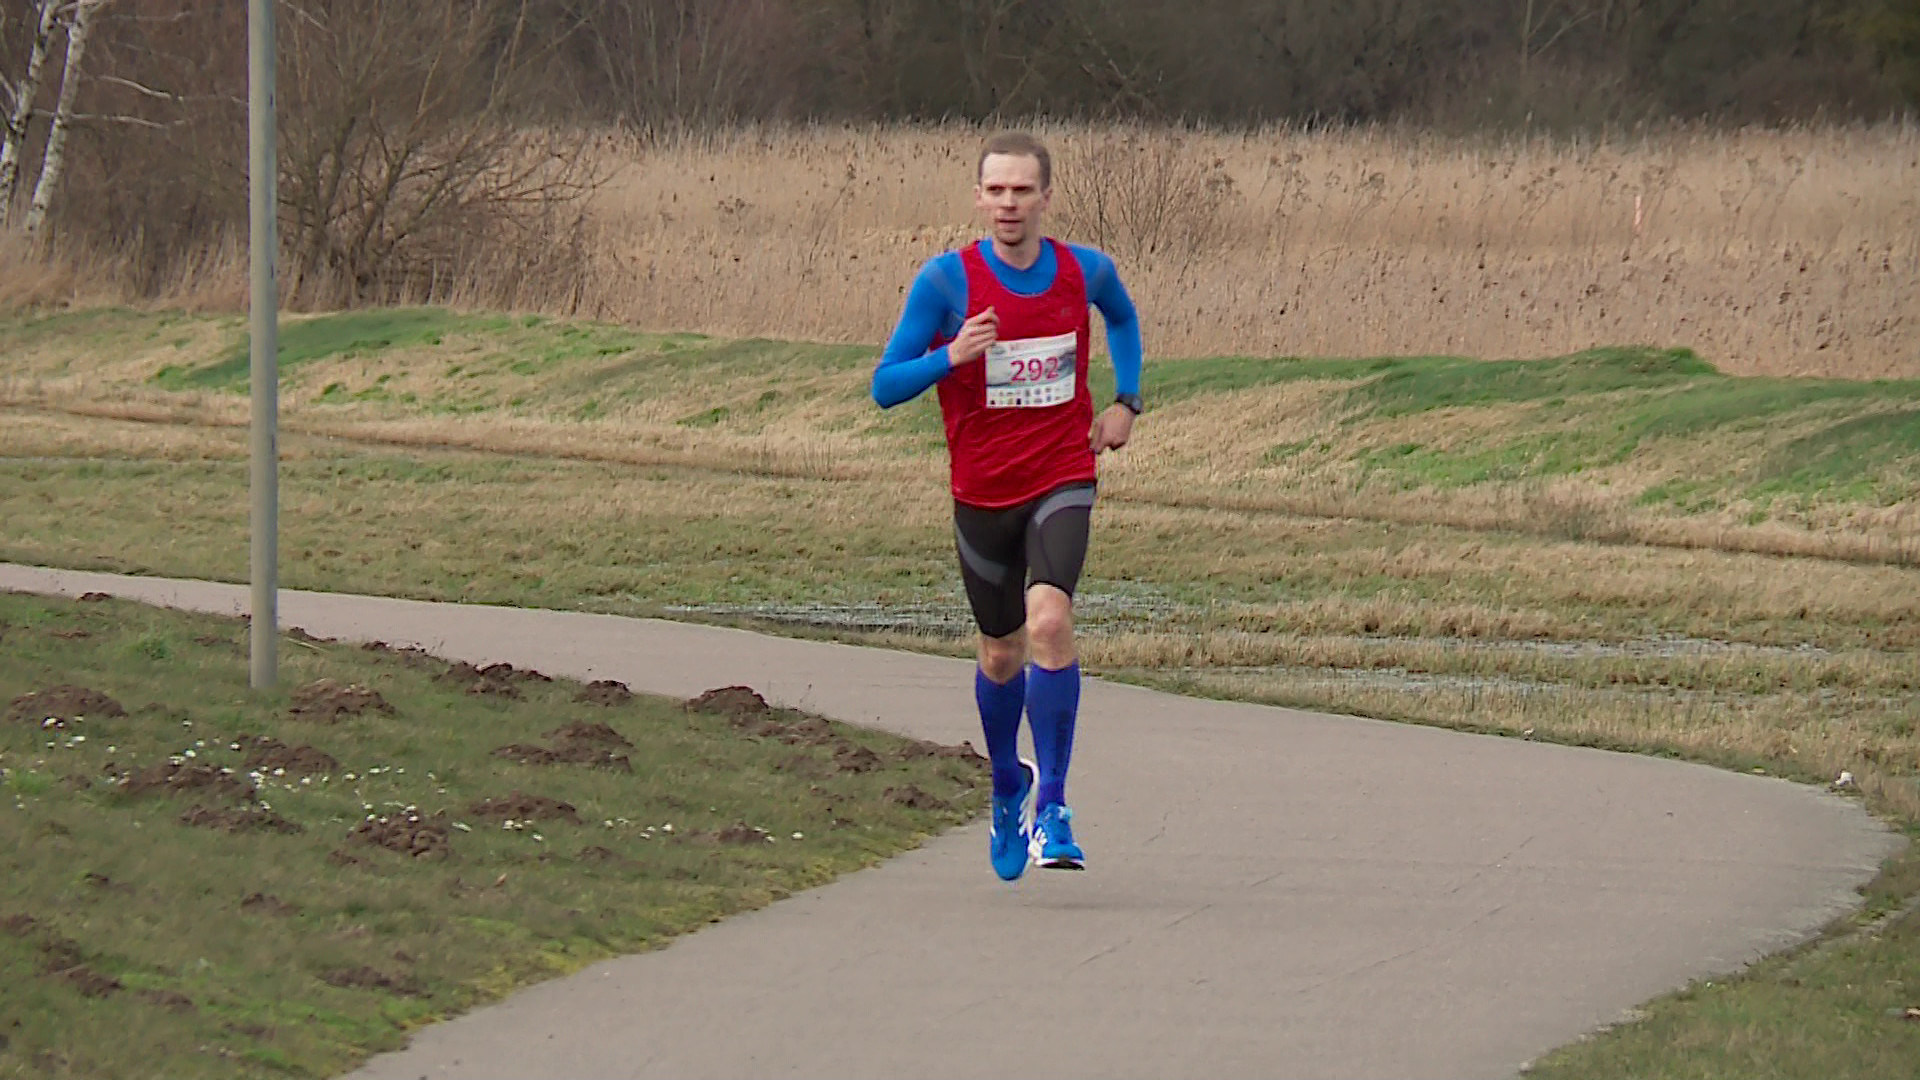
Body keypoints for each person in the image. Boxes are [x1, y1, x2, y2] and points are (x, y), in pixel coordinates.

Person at [870, 131, 1144, 881]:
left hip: (1062, 473)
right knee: (1000, 653)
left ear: (1046, 196)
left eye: (1022, 190)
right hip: (982, 493)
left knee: (1050, 621)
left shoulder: (1083, 271)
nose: (1009, 204)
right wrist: (951, 356)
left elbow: (1122, 317)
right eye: (996, 190)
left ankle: (1053, 805)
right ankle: (1005, 784)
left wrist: (1126, 401)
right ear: (979, 197)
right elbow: (884, 386)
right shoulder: (946, 282)